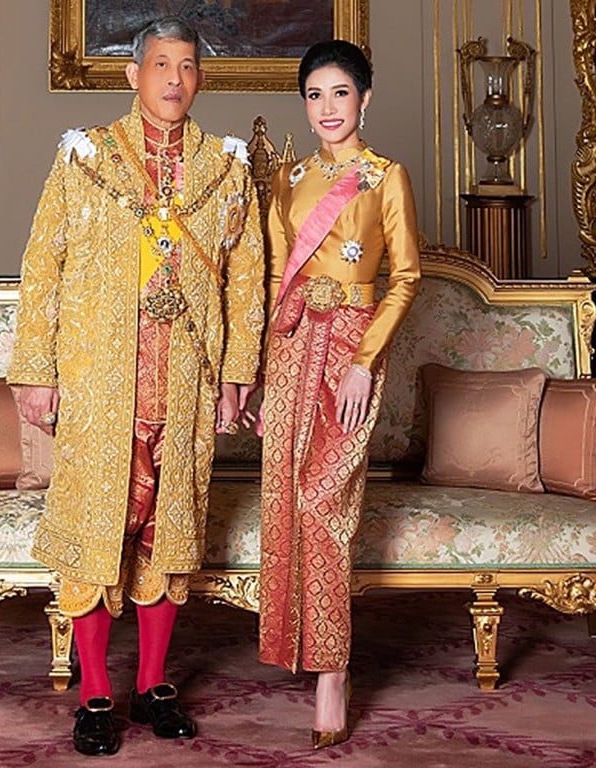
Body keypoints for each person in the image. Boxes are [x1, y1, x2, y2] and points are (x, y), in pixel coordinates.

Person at [7, 16, 264, 757]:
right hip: (99, 376)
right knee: (97, 533)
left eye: (186, 66)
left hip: (184, 377)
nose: (174, 79)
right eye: (160, 64)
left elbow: (248, 276)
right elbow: (42, 265)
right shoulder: (86, 158)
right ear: (133, 74)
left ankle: (153, 686)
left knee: (167, 532)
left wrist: (237, 371)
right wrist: (35, 372)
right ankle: (93, 693)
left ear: (200, 79)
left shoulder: (225, 166)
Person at [255, 39, 421, 749]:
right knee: (287, 497)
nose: (328, 107)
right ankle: (296, 646)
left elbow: (407, 278)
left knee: (326, 501)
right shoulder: (289, 179)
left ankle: (332, 670)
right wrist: (261, 376)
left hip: (352, 351)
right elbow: (271, 281)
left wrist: (363, 361)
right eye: (315, 95)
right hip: (293, 347)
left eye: (341, 93)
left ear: (365, 99)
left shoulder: (386, 177)